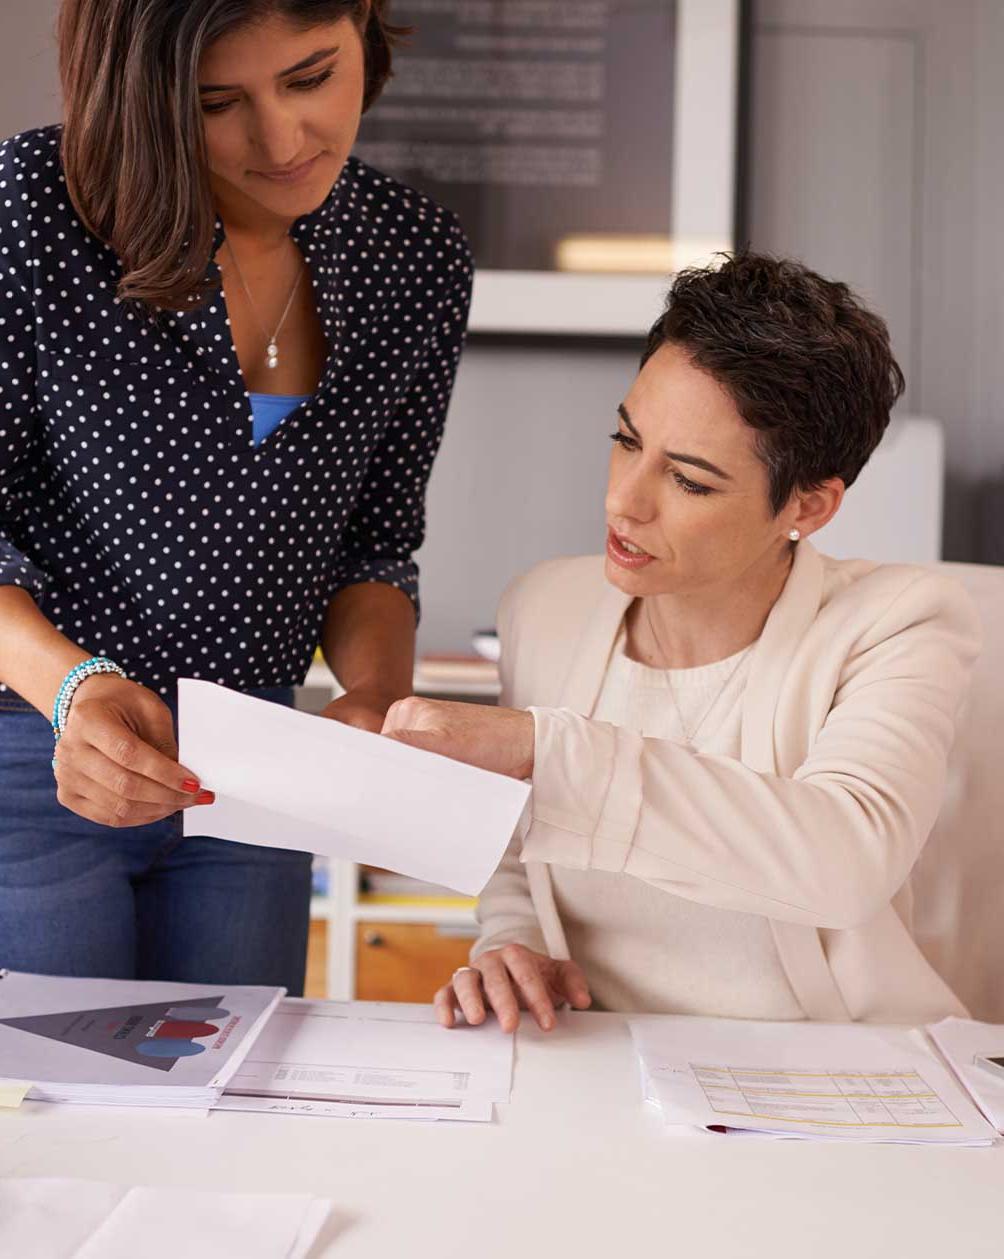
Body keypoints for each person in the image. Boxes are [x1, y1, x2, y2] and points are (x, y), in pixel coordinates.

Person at [0, 0, 472, 990]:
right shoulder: (32, 211)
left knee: (240, 1112)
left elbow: (374, 546)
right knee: (50, 1113)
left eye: (310, 77)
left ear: (365, 38)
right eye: (218, 101)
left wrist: (374, 695)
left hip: (254, 763)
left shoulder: (413, 256)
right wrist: (72, 688)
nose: (283, 139)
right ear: (145, 97)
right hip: (33, 750)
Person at [382, 253, 981, 1031]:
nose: (622, 501)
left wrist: (547, 750)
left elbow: (847, 860)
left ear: (810, 502)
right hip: (603, 1070)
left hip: (833, 1079)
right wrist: (513, 942)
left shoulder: (900, 621)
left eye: (689, 480)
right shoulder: (546, 605)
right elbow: (516, 849)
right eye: (626, 440)